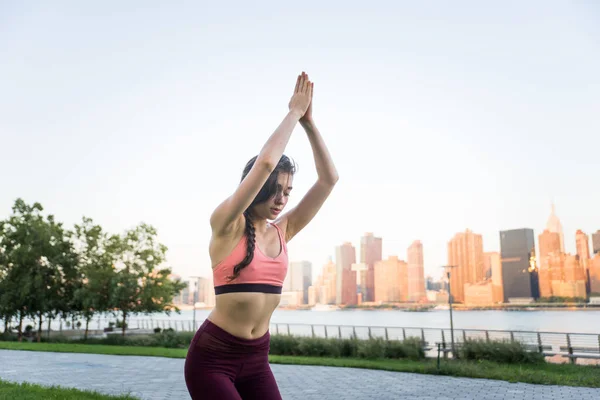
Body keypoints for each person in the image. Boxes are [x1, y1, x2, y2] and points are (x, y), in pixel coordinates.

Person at [184, 71, 339, 399]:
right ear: (255, 186)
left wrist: (310, 124)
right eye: (275, 189)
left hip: (256, 360)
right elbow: (267, 161)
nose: (282, 199)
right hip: (212, 360)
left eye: (288, 191)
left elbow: (329, 180)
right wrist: (294, 113)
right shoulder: (226, 225)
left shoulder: (284, 231)